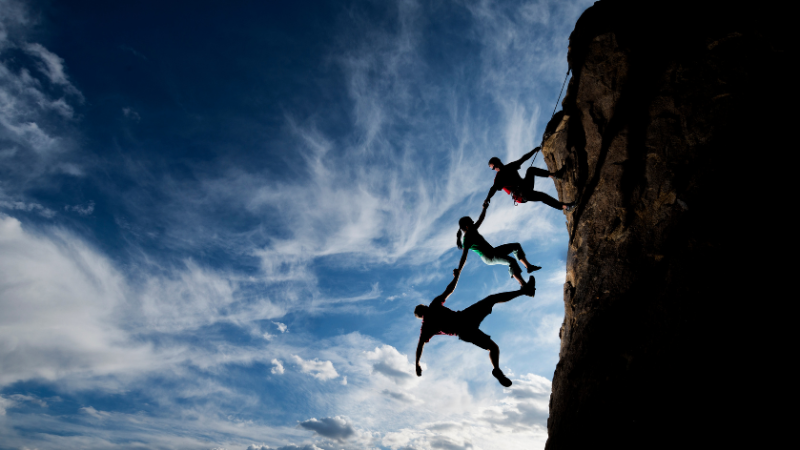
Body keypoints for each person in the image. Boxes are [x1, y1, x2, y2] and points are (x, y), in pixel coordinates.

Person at [414, 269, 536, 387]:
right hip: (465, 318)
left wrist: (417, 363)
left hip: (464, 332)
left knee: (493, 347)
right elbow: (449, 290)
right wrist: (456, 277)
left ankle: (497, 369)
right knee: (492, 299)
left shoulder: (426, 327)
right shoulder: (433, 307)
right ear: (424, 308)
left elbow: (420, 346)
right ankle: (525, 291)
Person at [456, 201, 540, 288]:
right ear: (467, 226)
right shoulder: (467, 239)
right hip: (489, 257)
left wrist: (484, 209)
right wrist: (459, 270)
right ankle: (523, 285)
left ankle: (529, 267)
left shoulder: (472, 230)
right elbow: (464, 256)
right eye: (472, 222)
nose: (474, 223)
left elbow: (481, 219)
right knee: (511, 261)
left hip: (493, 251)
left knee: (516, 246)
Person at [484, 147, 575, 211]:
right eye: (493, 168)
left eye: (494, 167)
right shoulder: (500, 177)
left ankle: (556, 175)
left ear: (498, 162)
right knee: (542, 196)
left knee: (531, 170)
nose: (495, 169)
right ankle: (566, 207)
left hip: (525, 186)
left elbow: (523, 159)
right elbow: (493, 188)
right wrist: (487, 198)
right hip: (522, 195)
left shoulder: (509, 167)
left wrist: (534, 151)